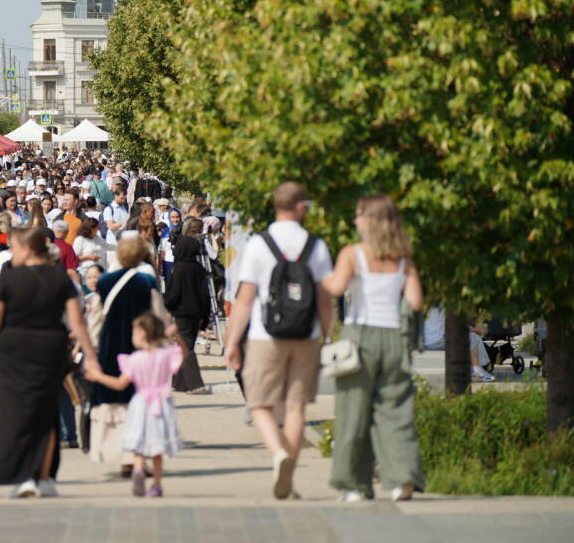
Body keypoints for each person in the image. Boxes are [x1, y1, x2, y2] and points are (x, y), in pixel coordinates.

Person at [0, 227, 102, 499]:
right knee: (47, 412)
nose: (11, 253)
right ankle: (44, 476)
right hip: (50, 349)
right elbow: (77, 322)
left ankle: (24, 476)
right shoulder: (60, 278)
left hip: (13, 350)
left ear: (28, 249)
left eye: (15, 248)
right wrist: (90, 357)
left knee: (16, 414)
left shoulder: (8, 280)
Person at [224, 182, 332, 500]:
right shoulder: (317, 246)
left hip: (264, 334)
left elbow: (245, 299)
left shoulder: (259, 245)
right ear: (301, 208)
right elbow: (325, 300)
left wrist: (231, 341)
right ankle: (291, 474)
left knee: (259, 404)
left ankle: (277, 453)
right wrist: (325, 336)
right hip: (306, 333)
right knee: (296, 407)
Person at [322, 195, 424, 502]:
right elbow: (416, 302)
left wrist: (321, 277)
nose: (355, 221)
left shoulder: (353, 254)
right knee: (395, 412)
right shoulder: (404, 258)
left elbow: (336, 287)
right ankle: (401, 478)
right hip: (394, 338)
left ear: (369, 221)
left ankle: (353, 485)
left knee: (353, 412)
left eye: (358, 215)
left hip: (359, 337)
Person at [88, 238, 166, 471]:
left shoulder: (105, 282)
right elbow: (158, 314)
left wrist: (92, 346)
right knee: (140, 398)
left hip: (112, 344)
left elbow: (97, 316)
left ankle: (124, 456)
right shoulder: (147, 281)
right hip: (141, 344)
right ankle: (140, 453)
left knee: (116, 399)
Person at [87, 312, 185, 498]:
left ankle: (138, 470)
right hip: (161, 404)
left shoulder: (135, 359)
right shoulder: (165, 355)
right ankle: (156, 484)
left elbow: (119, 384)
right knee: (158, 447)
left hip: (140, 403)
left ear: (142, 334)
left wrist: (98, 376)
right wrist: (174, 335)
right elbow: (183, 354)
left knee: (139, 442)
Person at [164, 222, 211, 394]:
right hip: (196, 313)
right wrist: (205, 318)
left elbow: (174, 293)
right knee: (185, 344)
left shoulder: (180, 269)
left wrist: (166, 305)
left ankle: (194, 384)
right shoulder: (199, 268)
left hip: (182, 313)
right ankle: (178, 382)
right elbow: (205, 294)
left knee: (185, 347)